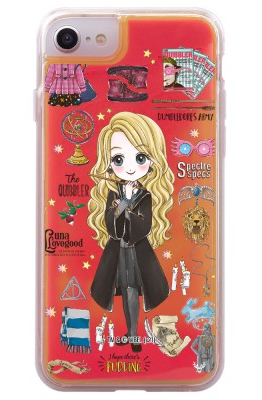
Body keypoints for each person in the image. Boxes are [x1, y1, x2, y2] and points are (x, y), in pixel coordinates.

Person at [87, 112, 174, 352]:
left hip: (138, 252)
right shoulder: (113, 193)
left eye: (140, 157)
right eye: (118, 159)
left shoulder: (145, 195)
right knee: (126, 290)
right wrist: (121, 204)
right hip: (118, 251)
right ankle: (132, 332)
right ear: (109, 163)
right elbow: (111, 225)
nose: (130, 167)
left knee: (134, 289)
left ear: (152, 161)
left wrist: (125, 206)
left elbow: (143, 226)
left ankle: (134, 334)